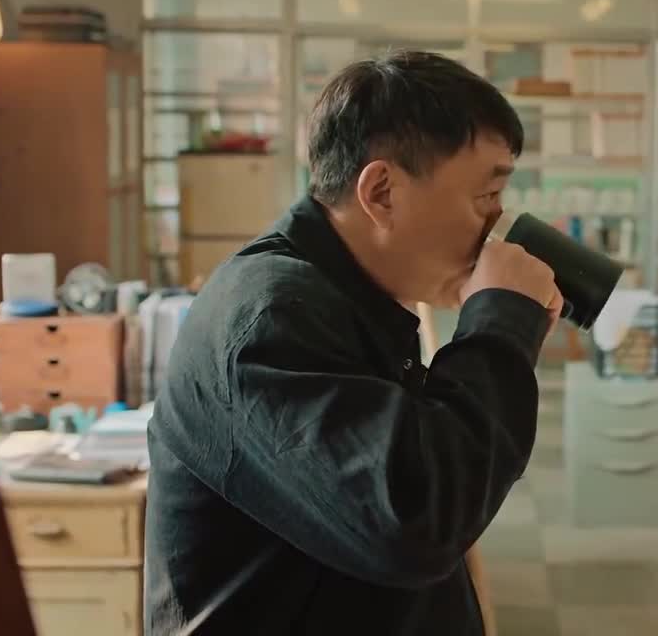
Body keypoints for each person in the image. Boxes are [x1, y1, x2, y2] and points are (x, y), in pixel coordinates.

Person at [144, 50, 562, 635]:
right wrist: (499, 325)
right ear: (382, 192)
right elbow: (415, 520)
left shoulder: (344, 297)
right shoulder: (270, 319)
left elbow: (428, 463)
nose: (497, 228)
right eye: (484, 198)